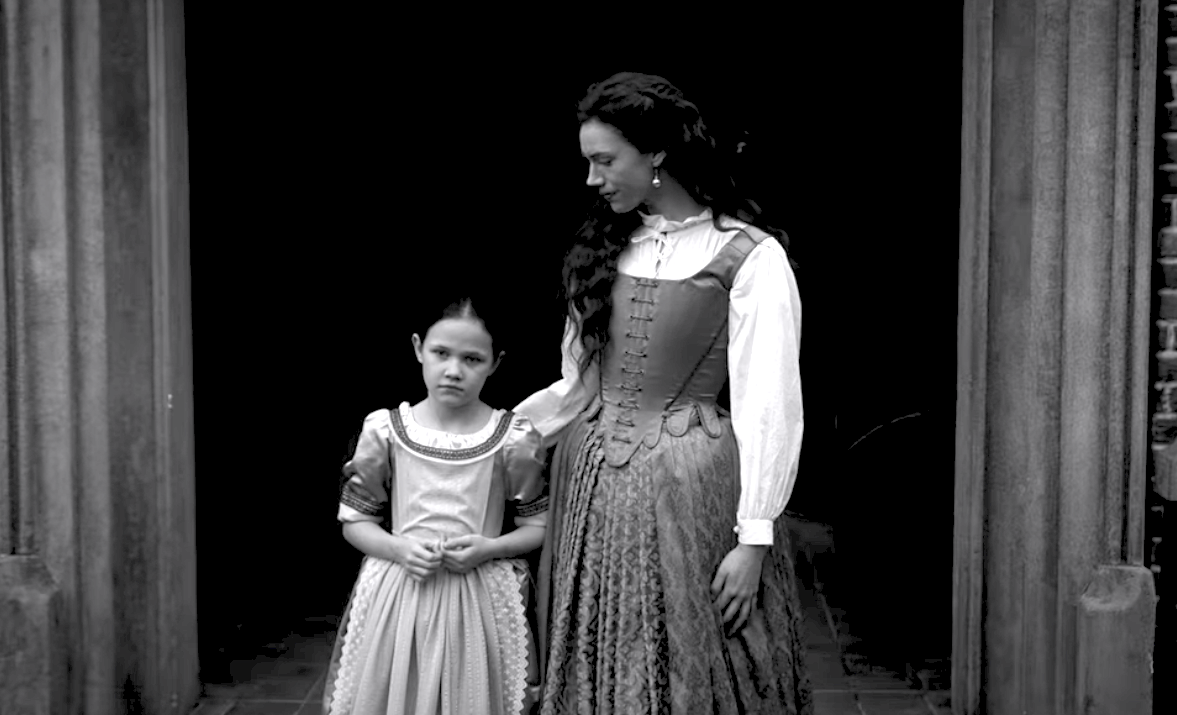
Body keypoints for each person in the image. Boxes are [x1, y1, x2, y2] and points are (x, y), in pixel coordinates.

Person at [516, 72, 812, 714]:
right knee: (600, 654)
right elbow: (576, 386)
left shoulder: (748, 256)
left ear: (655, 153)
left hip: (692, 489)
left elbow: (770, 403)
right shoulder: (604, 247)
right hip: (593, 485)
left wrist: (754, 537)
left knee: (695, 655)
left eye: (604, 160)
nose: (592, 179)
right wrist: (499, 438)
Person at [321, 296, 548, 715]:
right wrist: (399, 549)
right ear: (417, 348)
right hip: (400, 592)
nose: (454, 370)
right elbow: (355, 521)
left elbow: (538, 526)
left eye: (472, 359)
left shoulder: (513, 437)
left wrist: (488, 548)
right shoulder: (385, 430)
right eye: (441, 353)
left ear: (495, 363)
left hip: (480, 598)